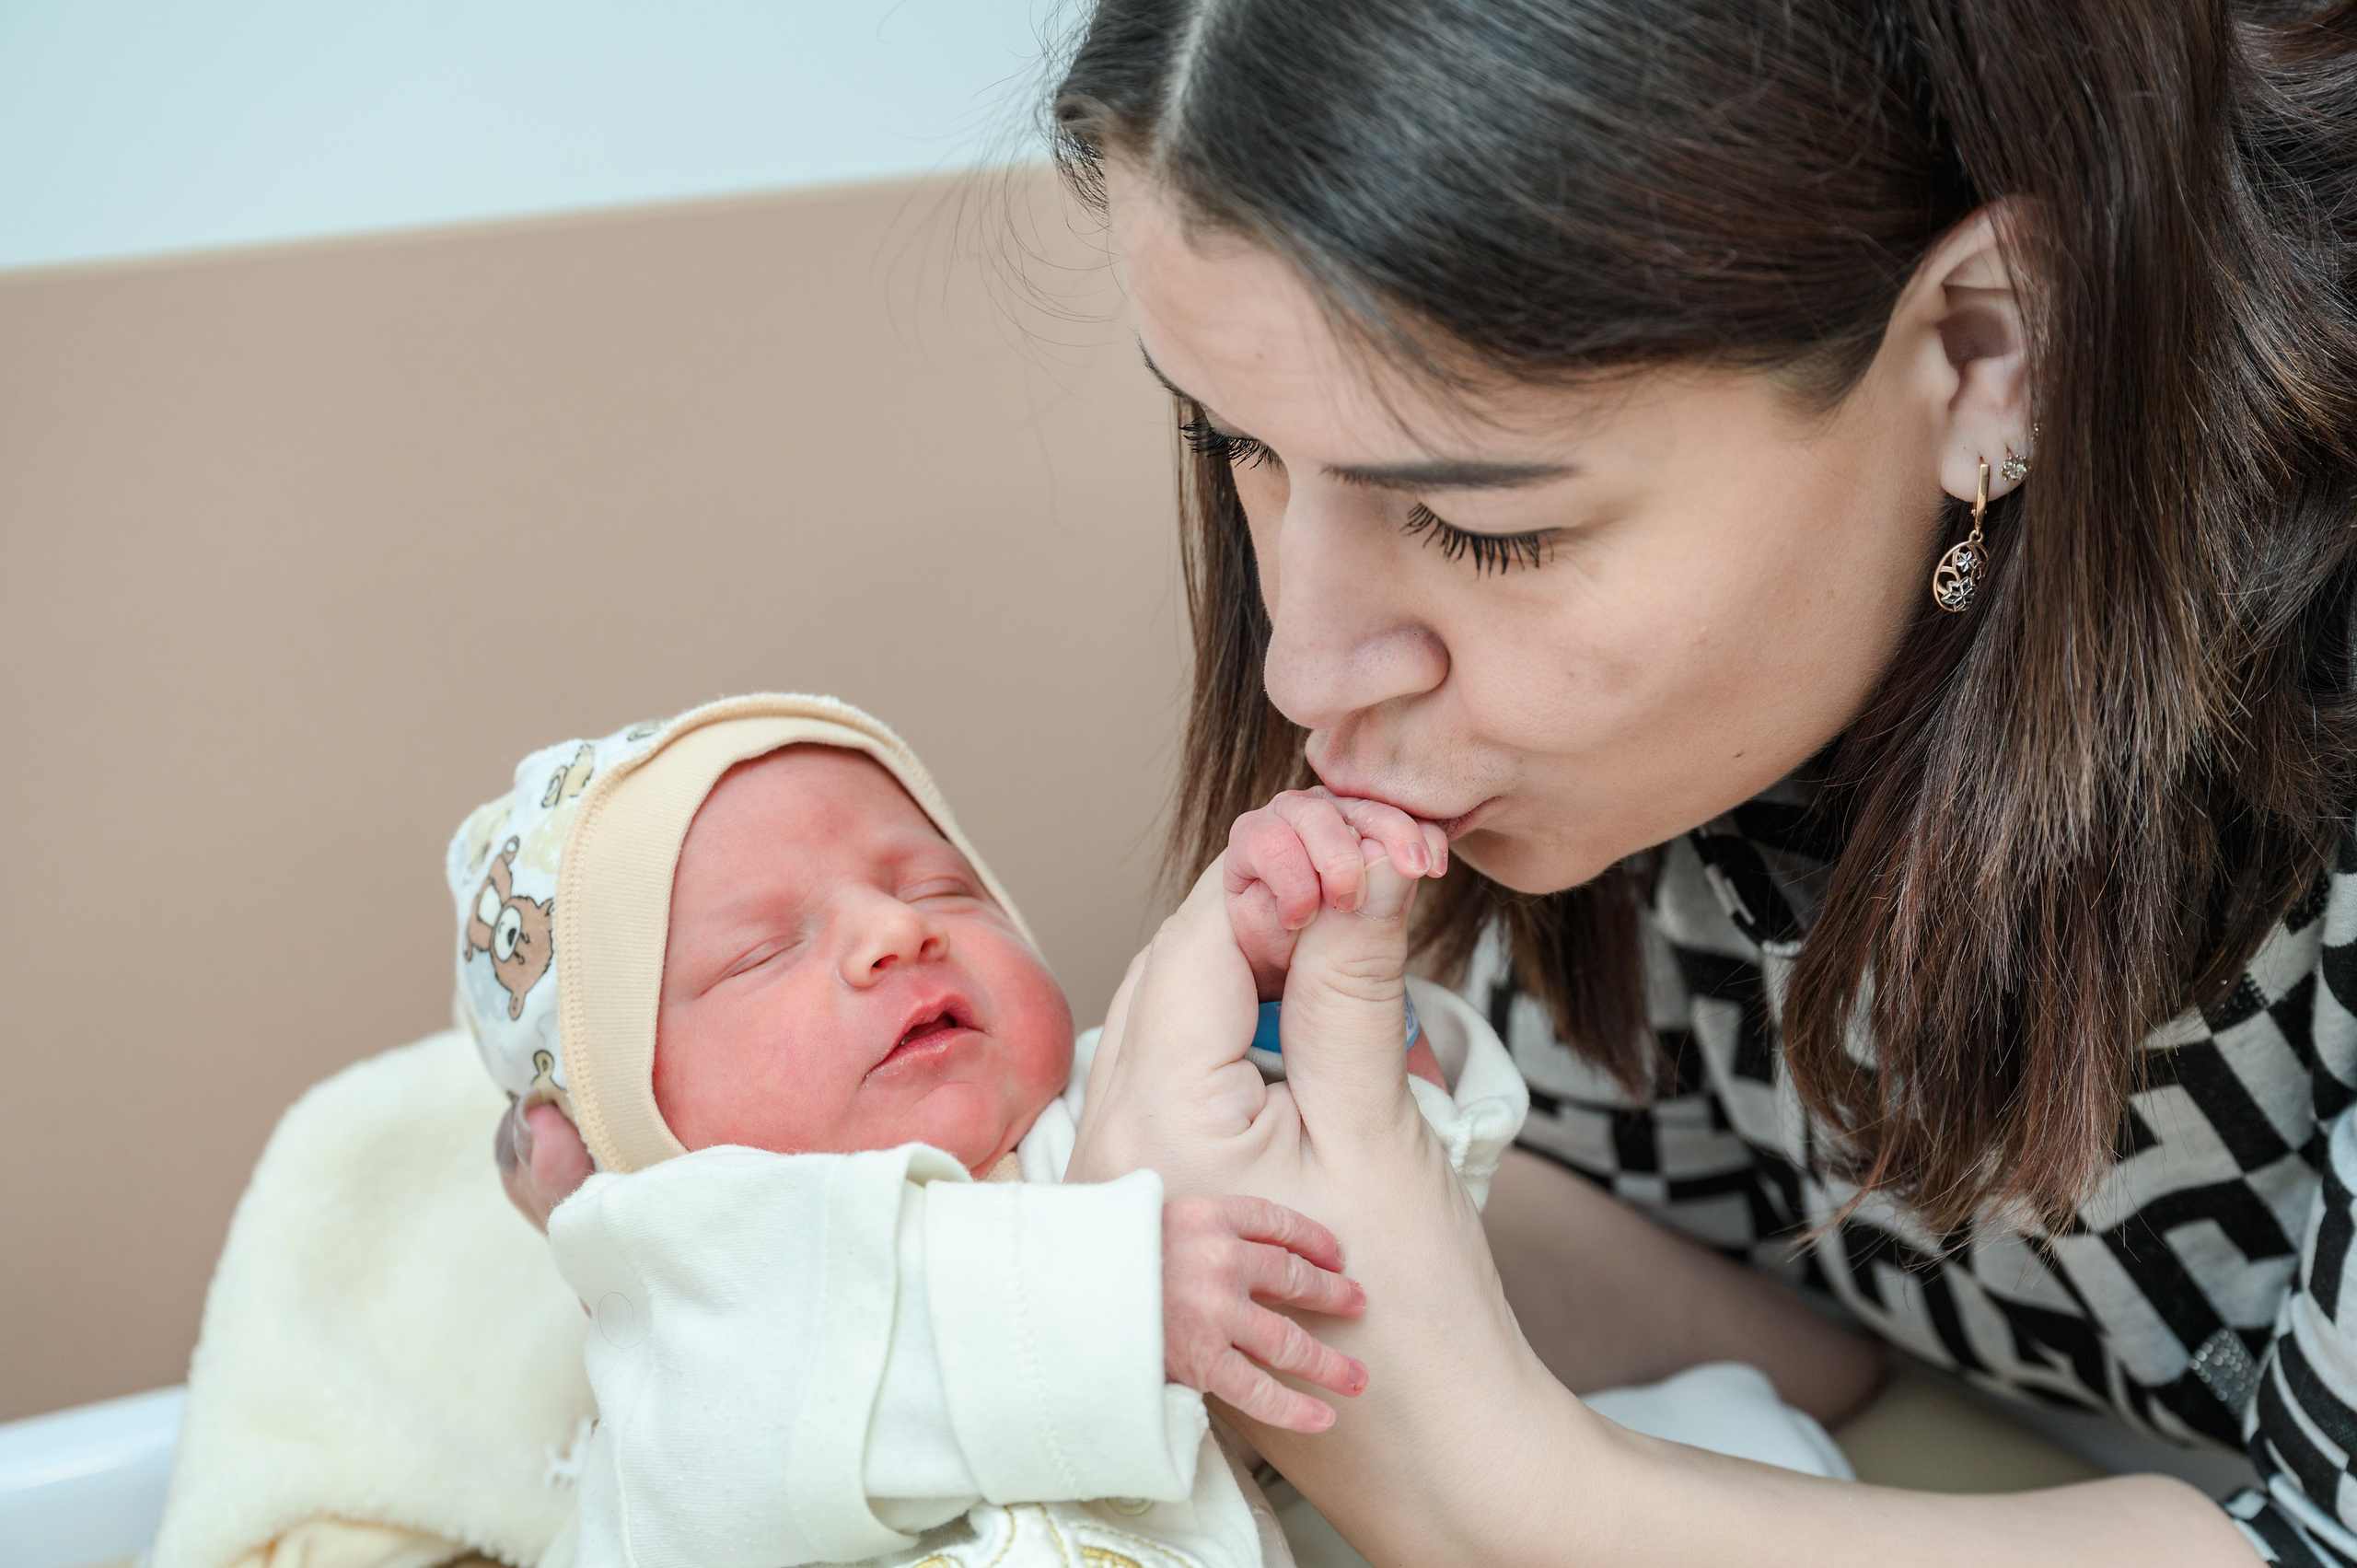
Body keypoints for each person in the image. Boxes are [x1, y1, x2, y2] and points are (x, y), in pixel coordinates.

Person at [1046, 0, 2357, 1563]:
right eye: (1229, 440)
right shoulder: (1670, 728)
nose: (1305, 669)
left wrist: (1502, 1495)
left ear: (1993, 348)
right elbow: (1760, 1289)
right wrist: (1114, 1241)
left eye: (1489, 530)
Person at [455, 692, 1528, 1568]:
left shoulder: (1108, 1122)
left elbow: (1368, 1275)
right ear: (627, 1125)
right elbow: (755, 1420)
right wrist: (1113, 1300)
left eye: (938, 884)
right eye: (760, 950)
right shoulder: (688, 1283)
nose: (894, 928)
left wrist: (1331, 996)